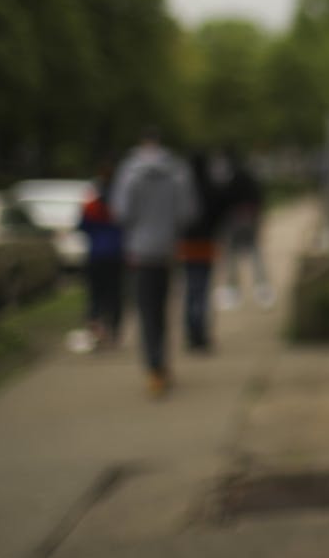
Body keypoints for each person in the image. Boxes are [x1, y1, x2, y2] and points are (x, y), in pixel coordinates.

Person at [110, 128, 198, 396]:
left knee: (146, 312)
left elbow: (120, 212)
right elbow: (188, 212)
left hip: (139, 252)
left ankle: (154, 368)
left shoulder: (129, 172)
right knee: (163, 310)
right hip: (167, 251)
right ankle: (163, 364)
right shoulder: (178, 171)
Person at [177, 151, 231, 352]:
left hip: (188, 246)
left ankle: (191, 332)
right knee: (202, 290)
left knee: (191, 289)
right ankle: (200, 334)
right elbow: (222, 211)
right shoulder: (211, 188)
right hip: (206, 244)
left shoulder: (185, 190)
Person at [216, 150, 273, 308]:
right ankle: (262, 289)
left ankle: (232, 290)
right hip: (250, 220)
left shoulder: (230, 179)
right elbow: (259, 199)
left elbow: (224, 201)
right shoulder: (250, 178)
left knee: (232, 256)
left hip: (234, 221)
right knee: (255, 254)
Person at [77, 164, 124, 348]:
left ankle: (96, 331)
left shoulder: (91, 205)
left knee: (95, 295)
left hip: (96, 254)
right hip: (116, 254)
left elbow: (82, 226)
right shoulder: (120, 206)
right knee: (115, 294)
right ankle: (114, 330)